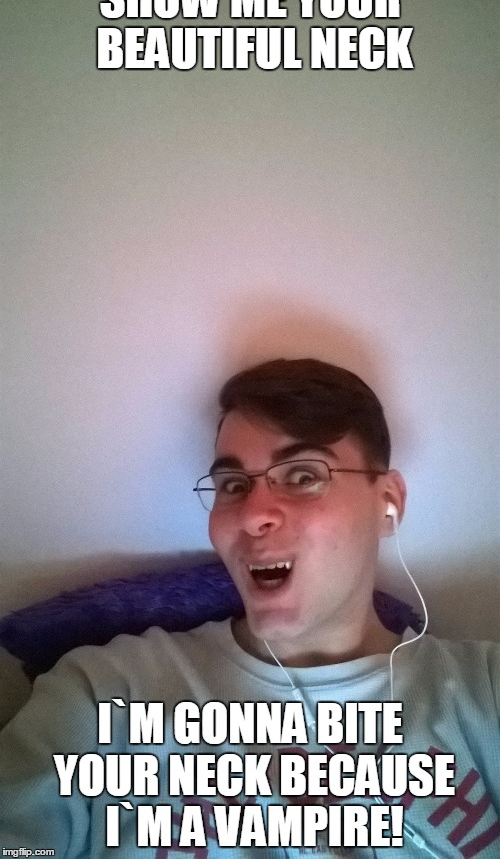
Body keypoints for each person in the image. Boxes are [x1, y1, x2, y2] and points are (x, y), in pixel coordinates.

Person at [0, 358, 498, 858]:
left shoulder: (485, 692)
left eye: (302, 475)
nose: (253, 515)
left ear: (387, 501)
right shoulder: (105, 695)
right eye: (234, 485)